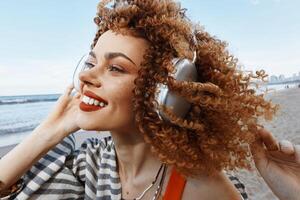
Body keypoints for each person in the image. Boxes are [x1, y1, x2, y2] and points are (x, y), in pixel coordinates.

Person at [0, 0, 299, 199]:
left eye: (116, 68)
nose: (86, 77)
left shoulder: (201, 185)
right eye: (91, 63)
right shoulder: (87, 165)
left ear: (165, 93)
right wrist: (47, 132)